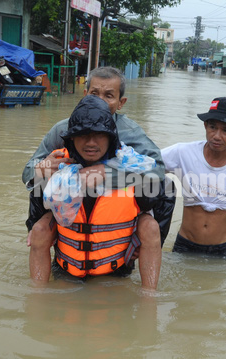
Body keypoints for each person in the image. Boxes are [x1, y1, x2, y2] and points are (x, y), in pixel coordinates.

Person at [22, 66, 174, 285]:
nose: (101, 101)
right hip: (73, 211)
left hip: (114, 214)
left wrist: (107, 173)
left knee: (161, 196)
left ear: (121, 103)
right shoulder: (63, 128)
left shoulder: (130, 132)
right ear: (85, 94)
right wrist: (43, 168)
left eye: (109, 96)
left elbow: (158, 172)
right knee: (40, 192)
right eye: (95, 94)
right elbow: (29, 174)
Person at [161, 97, 226, 257]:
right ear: (205, 126)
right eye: (212, 127)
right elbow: (148, 165)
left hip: (222, 248)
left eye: (225, 130)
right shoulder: (182, 153)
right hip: (185, 243)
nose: (217, 136)